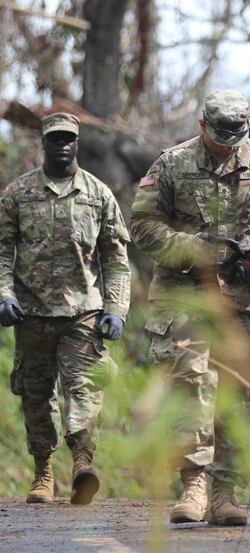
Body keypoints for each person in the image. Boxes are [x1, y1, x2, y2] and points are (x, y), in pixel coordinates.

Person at [131, 90, 250, 526]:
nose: (228, 145)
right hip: (185, 295)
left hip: (247, 301)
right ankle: (193, 485)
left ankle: (225, 494)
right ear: (202, 126)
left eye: (236, 137)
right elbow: (143, 225)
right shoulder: (171, 163)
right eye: (220, 136)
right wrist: (194, 248)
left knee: (240, 395)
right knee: (191, 387)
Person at [0, 112, 131, 505]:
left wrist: (116, 309)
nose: (61, 145)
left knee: (83, 389)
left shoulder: (98, 194)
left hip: (83, 313)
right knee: (37, 394)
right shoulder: (17, 194)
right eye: (54, 139)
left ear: (77, 144)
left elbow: (116, 259)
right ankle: (43, 472)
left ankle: (82, 464)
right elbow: (2, 252)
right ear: (44, 143)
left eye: (68, 139)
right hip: (33, 313)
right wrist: (4, 295)